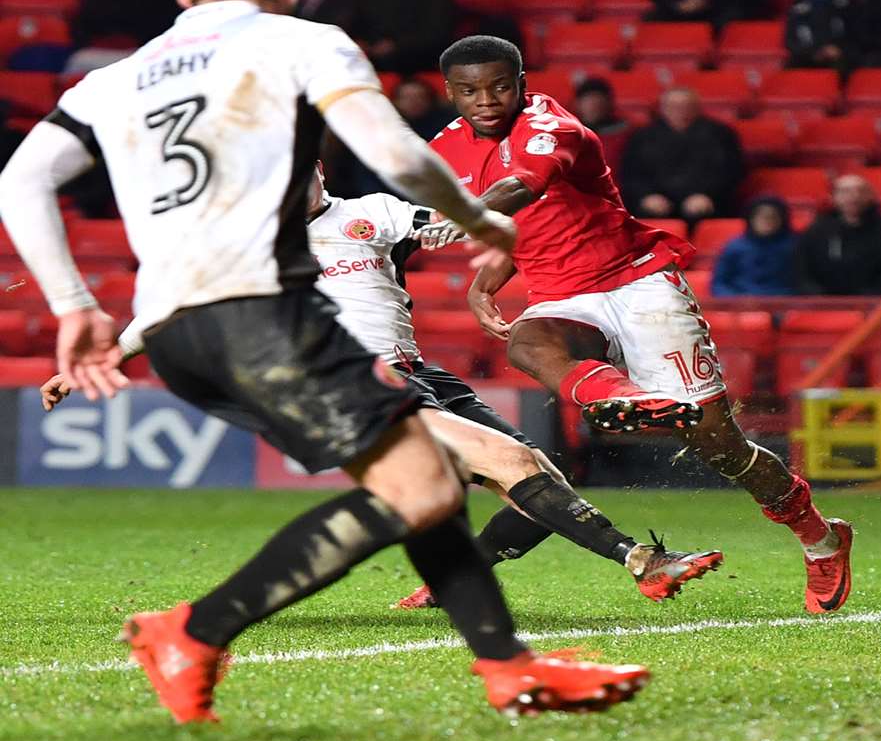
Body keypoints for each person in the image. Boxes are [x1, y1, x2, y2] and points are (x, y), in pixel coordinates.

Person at [0, 0, 647, 722]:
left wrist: (73, 305)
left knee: (425, 477)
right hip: (260, 311)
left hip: (175, 333)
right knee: (444, 473)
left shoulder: (114, 77)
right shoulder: (300, 41)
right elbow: (397, 155)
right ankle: (193, 630)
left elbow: (20, 182)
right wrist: (478, 220)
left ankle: (508, 669)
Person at [44, 170, 726, 610]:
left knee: (534, 476)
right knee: (513, 466)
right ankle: (644, 560)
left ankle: (443, 585)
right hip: (351, 384)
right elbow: (169, 305)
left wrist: (498, 209)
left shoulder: (369, 213)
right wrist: (99, 354)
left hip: (419, 373)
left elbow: (444, 226)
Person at [424, 35, 855, 613]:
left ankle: (821, 538)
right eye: (470, 90)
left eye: (501, 85)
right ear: (449, 92)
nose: (487, 99)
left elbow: (524, 186)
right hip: (563, 294)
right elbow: (527, 221)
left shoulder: (552, 128)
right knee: (528, 343)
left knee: (719, 444)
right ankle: (626, 397)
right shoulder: (445, 148)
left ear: (522, 81)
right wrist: (485, 281)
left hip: (637, 282)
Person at [618, 86, 746, 222]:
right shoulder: (642, 136)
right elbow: (631, 174)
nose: (680, 110)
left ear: (697, 107)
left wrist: (708, 195)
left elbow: (731, 171)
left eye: (686, 106)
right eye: (674, 106)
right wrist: (646, 196)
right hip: (656, 201)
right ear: (663, 108)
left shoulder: (720, 134)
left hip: (706, 201)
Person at [796, 173, 881, 294]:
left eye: (861, 191)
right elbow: (802, 271)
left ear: (871, 196)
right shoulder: (816, 230)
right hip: (824, 301)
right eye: (845, 191)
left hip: (876, 300)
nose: (854, 196)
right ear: (833, 197)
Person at [711, 196, 799, 297]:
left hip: (783, 302)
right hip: (741, 303)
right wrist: (734, 300)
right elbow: (719, 283)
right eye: (761, 217)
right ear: (751, 219)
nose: (766, 221)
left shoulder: (795, 246)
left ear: (782, 219)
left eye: (772, 217)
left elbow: (803, 283)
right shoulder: (734, 247)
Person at [785, 0, 858, 69]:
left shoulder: (847, 5)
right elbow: (790, 40)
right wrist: (815, 52)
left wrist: (840, 49)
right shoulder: (798, 7)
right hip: (807, 56)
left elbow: (855, 35)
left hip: (840, 55)